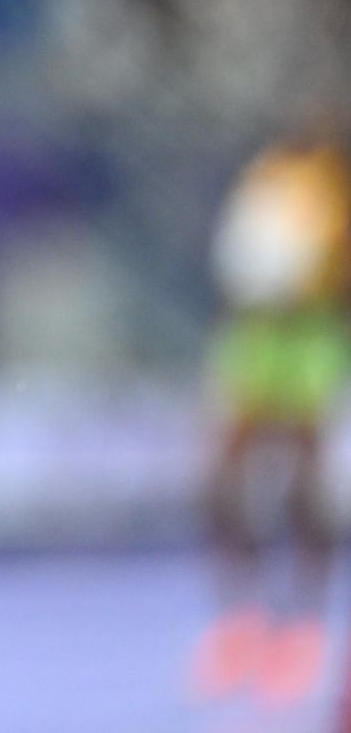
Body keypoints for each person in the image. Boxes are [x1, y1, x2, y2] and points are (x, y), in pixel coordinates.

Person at [192, 114, 351, 707]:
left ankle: (303, 627)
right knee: (222, 480)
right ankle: (240, 622)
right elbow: (236, 263)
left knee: (304, 482)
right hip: (254, 335)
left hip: (308, 336)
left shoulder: (332, 185)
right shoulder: (263, 178)